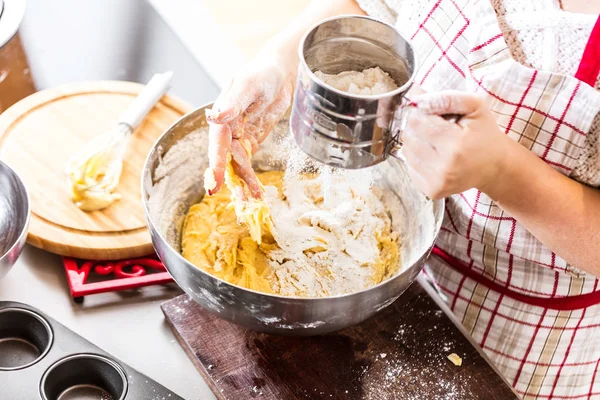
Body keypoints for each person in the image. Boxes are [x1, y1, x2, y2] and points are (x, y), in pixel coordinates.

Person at [204, 0, 600, 398]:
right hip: (387, 271)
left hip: (516, 332)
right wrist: (283, 59)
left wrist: (504, 172)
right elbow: (365, 8)